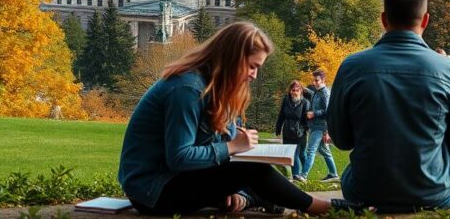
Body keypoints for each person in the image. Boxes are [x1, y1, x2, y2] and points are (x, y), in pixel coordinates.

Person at [118, 22, 347, 215]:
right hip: (153, 190)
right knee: (253, 172)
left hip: (179, 178)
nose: (254, 75)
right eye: (251, 66)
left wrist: (236, 152)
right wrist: (233, 146)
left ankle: (248, 198)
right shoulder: (187, 89)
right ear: (232, 58)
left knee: (261, 175)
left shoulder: (220, 88)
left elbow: (216, 146)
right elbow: (179, 156)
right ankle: (322, 207)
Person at [327, 0, 450, 212]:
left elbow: (341, 140)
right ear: (425, 20)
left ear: (383, 19)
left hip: (364, 190)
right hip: (433, 193)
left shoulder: (352, 66)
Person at [301, 69, 339, 182]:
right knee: (324, 151)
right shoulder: (317, 92)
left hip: (320, 127)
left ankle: (303, 175)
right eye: (314, 80)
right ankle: (334, 174)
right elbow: (311, 94)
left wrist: (314, 113)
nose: (314, 83)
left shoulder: (325, 93)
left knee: (310, 150)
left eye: (317, 80)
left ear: (323, 80)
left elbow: (328, 111)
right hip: (315, 126)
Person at [275, 80, 311, 182]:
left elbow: (306, 119)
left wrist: (307, 130)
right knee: (291, 154)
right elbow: (281, 114)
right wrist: (278, 127)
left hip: (300, 132)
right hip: (287, 131)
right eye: (292, 90)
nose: (294, 92)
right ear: (290, 90)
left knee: (302, 155)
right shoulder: (286, 100)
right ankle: (295, 175)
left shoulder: (305, 102)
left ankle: (304, 173)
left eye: (297, 90)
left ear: (301, 91)